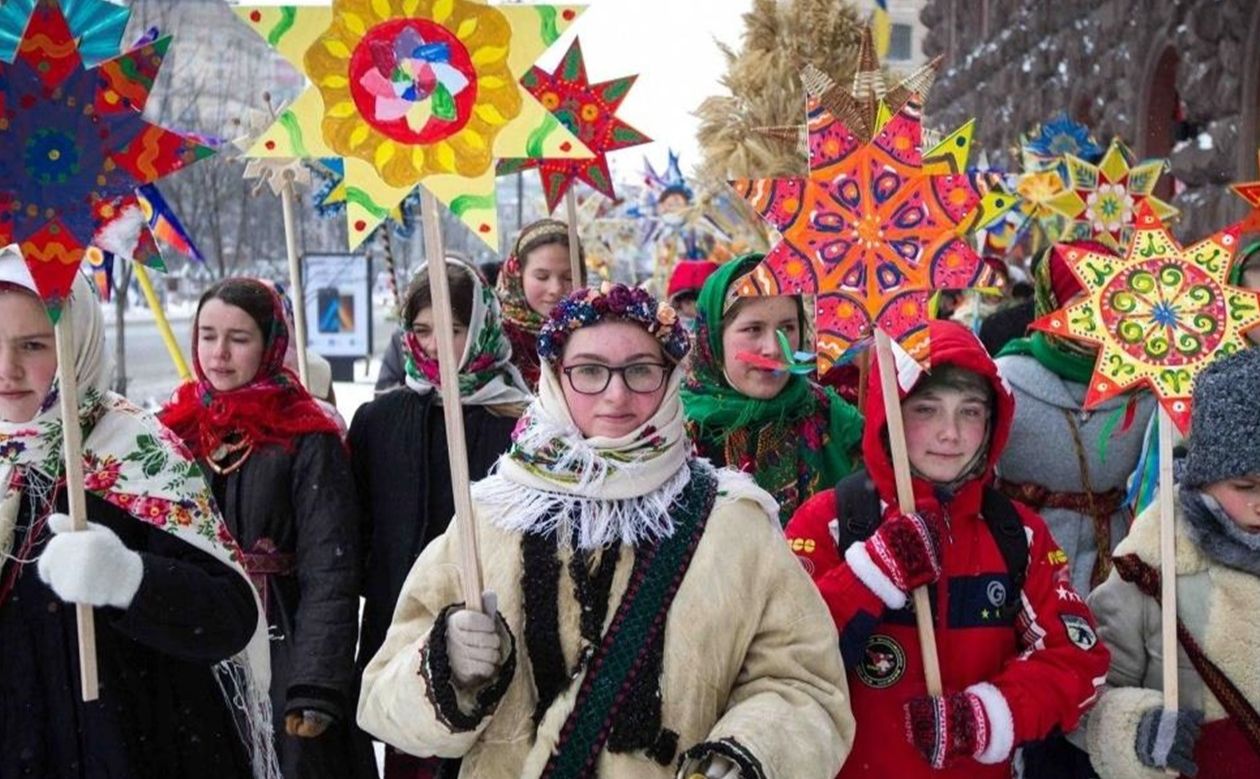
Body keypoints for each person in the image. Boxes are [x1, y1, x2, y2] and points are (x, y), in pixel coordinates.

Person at [358, 283, 854, 778]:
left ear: (670, 377)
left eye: (640, 371)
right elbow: (382, 702)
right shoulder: (489, 517)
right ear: (555, 377)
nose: (616, 395)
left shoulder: (734, 524)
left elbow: (803, 685)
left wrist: (751, 749)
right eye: (590, 371)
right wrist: (446, 665)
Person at [786, 319, 1111, 777]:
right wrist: (870, 574)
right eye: (927, 409)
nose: (951, 434)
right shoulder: (833, 521)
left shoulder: (1016, 533)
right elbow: (784, 656)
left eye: (971, 411)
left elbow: (1076, 659)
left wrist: (986, 717)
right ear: (890, 413)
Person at [0, 251, 275, 779]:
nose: (8, 368)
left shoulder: (133, 451)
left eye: (33, 345)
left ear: (74, 343)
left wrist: (131, 580)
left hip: (135, 743)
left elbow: (228, 615)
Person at [160, 278, 372, 779]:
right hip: (201, 638)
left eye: (239, 338)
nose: (220, 353)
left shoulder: (305, 436)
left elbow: (332, 570)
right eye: (208, 335)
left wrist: (316, 682)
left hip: (283, 639)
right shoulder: (177, 431)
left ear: (271, 343)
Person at [349, 257, 531, 779]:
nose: (432, 345)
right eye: (421, 329)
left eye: (451, 329)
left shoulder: (522, 423)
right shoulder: (379, 418)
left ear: (480, 328)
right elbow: (359, 528)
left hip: (497, 629)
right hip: (404, 630)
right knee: (414, 753)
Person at [1082, 347, 1260, 779]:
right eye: (1245, 485)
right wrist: (1137, 732)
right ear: (1203, 477)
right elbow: (1090, 694)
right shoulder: (1151, 563)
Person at [682, 254, 862, 524]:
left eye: (787, 328)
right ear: (714, 340)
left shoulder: (832, 417)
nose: (774, 349)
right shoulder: (676, 430)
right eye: (753, 329)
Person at [496, 218, 580, 388]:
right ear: (517, 274)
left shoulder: (597, 331)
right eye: (542, 277)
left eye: (568, 278)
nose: (555, 289)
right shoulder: (495, 340)